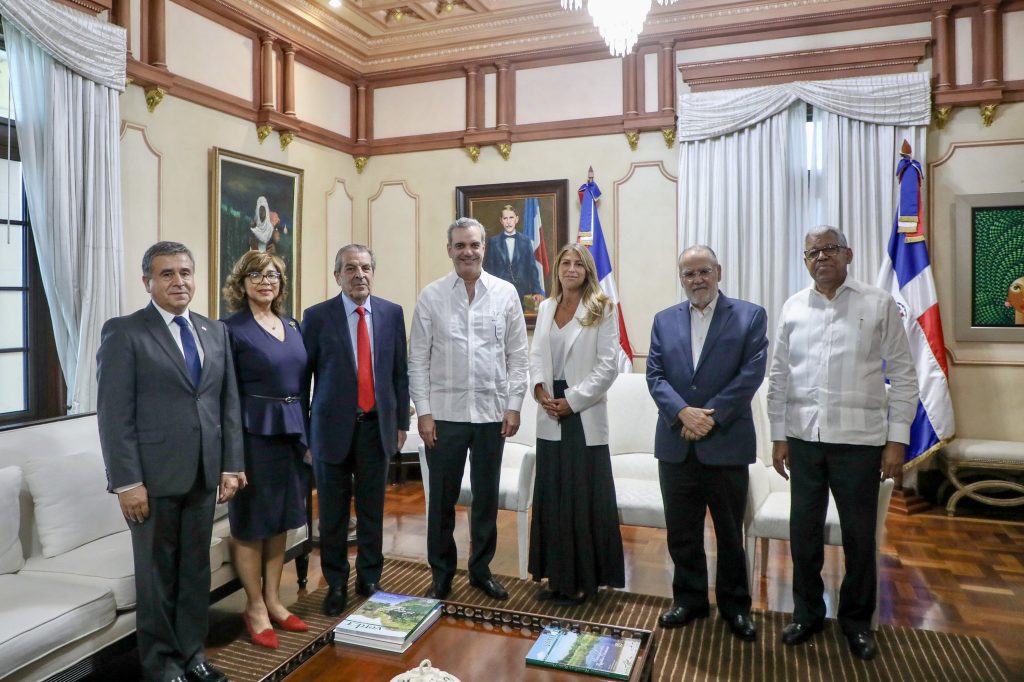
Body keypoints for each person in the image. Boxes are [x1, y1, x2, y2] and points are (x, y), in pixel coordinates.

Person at [768, 225, 917, 661]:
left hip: (860, 443)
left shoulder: (878, 303)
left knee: (858, 537)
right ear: (805, 261)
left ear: (848, 254)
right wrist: (778, 435)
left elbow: (904, 375)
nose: (821, 257)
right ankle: (807, 614)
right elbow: (779, 376)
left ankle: (856, 622)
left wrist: (897, 440)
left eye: (830, 249)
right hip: (804, 440)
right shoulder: (793, 307)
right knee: (804, 536)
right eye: (812, 252)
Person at [96, 241, 241, 682]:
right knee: (157, 576)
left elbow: (227, 403)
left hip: (204, 473)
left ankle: (193, 655)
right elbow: (114, 415)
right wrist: (127, 482)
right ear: (148, 282)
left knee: (195, 571)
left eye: (185, 272)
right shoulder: (125, 332)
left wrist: (230, 464)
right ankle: (161, 665)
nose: (179, 281)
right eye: (167, 274)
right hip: (152, 480)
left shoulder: (213, 331)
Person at [646, 245, 767, 642]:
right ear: (681, 279)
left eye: (704, 271)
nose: (697, 280)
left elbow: (750, 375)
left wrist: (708, 417)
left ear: (718, 272)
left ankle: (735, 607)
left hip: (726, 442)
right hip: (676, 443)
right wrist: (683, 413)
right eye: (689, 274)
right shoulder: (664, 320)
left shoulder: (749, 316)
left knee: (730, 533)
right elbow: (655, 375)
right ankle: (689, 599)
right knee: (682, 531)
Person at [409, 217, 529, 601]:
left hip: (492, 415)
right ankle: (442, 573)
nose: (467, 252)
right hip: (444, 416)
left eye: (474, 244)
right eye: (460, 245)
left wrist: (514, 406)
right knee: (442, 500)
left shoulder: (506, 294)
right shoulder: (431, 296)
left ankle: (480, 570)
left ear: (484, 248)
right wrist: (423, 412)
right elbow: (417, 360)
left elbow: (518, 356)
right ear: (449, 250)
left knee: (485, 499)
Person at [302, 244, 409, 616]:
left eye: (365, 267)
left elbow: (400, 374)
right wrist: (305, 434)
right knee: (332, 515)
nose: (359, 274)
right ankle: (335, 584)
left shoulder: (391, 313)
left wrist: (401, 423)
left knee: (371, 511)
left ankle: (369, 579)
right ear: (337, 276)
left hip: (376, 428)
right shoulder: (317, 317)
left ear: (373, 273)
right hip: (329, 431)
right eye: (350, 268)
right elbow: (302, 380)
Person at [221, 250, 309, 648]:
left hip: (291, 432)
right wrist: (231, 455)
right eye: (255, 275)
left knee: (281, 520)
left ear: (281, 283)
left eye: (272, 275)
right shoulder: (229, 329)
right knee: (251, 522)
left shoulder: (292, 324)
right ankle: (254, 606)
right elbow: (224, 394)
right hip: (252, 434)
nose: (265, 281)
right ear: (241, 284)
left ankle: (274, 600)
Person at [528, 243, 624, 606]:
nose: (571, 269)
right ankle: (557, 578)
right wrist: (539, 389)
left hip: (582, 413)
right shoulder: (547, 307)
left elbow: (608, 366)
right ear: (557, 269)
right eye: (565, 263)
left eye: (578, 264)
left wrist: (573, 400)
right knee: (552, 497)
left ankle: (585, 580)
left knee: (583, 499)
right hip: (549, 409)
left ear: (587, 271)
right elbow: (536, 355)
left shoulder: (602, 308)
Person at [483, 204, 545, 303]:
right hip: (499, 293)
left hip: (522, 293)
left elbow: (532, 268)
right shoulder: (493, 242)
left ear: (517, 219)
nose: (508, 222)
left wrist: (536, 291)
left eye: (511, 218)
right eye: (505, 218)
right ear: (501, 221)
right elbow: (488, 269)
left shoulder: (525, 241)